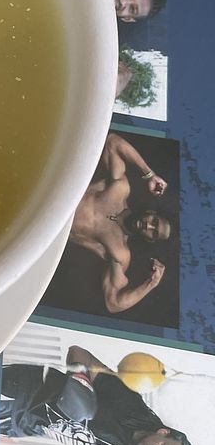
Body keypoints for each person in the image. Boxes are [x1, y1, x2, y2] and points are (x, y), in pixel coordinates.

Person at [0, 344, 193, 445]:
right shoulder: (128, 402)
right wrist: (79, 384)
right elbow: (79, 353)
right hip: (26, 390)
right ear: (162, 432)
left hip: (21, 425)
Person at [67, 132, 173, 314]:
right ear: (151, 213)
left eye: (153, 232)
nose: (148, 226)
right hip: (52, 197)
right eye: (154, 222)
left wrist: (150, 284)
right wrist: (150, 175)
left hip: (49, 229)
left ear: (149, 239)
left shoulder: (119, 252)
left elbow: (114, 303)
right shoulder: (120, 189)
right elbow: (113, 141)